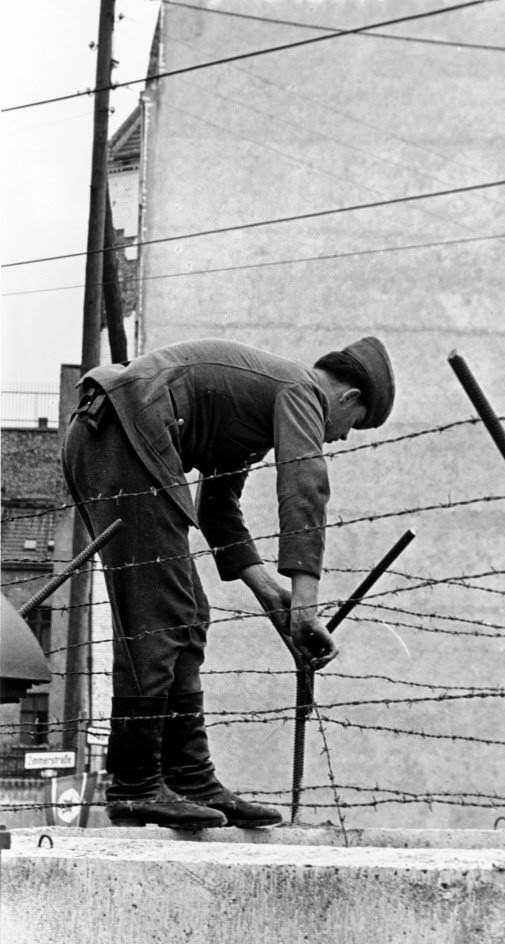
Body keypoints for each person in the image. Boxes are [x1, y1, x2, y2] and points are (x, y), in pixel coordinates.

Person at [62, 337, 395, 830]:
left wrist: (271, 596)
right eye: (355, 425)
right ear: (347, 399)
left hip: (114, 431)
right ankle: (134, 785)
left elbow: (218, 509)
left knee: (187, 613)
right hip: (124, 429)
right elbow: (304, 486)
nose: (342, 437)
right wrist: (306, 606)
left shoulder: (256, 406)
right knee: (163, 613)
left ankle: (190, 779)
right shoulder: (299, 389)